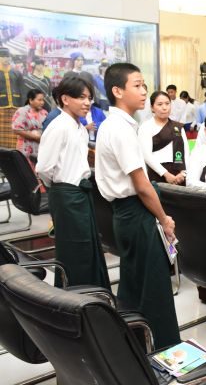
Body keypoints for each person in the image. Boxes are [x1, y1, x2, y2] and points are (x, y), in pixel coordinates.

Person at [95, 63, 180, 349]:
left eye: (144, 85)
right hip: (135, 212)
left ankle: (132, 345)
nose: (144, 91)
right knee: (154, 286)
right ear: (117, 91)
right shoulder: (120, 129)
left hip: (125, 213)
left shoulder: (114, 125)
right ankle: (162, 350)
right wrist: (164, 218)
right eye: (137, 85)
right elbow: (142, 185)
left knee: (134, 283)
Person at [35, 75, 110, 289]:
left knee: (88, 247)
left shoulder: (79, 126)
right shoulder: (58, 126)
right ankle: (74, 298)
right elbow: (43, 168)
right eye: (81, 98)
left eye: (89, 98)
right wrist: (61, 190)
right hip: (66, 194)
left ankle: (93, 294)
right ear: (65, 99)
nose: (87, 103)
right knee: (74, 250)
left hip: (80, 193)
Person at [138, 90, 189, 185]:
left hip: (179, 175)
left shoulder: (178, 127)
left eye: (167, 104)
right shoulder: (146, 127)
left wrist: (183, 173)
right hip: (157, 174)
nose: (164, 107)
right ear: (152, 108)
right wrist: (165, 174)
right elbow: (146, 155)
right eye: (160, 104)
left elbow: (186, 152)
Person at [12, 88, 47, 161]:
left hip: (40, 147)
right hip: (25, 147)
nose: (42, 102)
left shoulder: (44, 113)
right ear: (31, 100)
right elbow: (16, 130)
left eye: (43, 100)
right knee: (25, 166)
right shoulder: (22, 111)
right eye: (39, 100)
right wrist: (35, 137)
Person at [0, 46, 24, 149]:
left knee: (15, 131)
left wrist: (23, 106)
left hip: (16, 106)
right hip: (1, 107)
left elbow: (22, 90)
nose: (6, 59)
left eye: (7, 56)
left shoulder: (17, 73)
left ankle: (14, 152)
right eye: (3, 56)